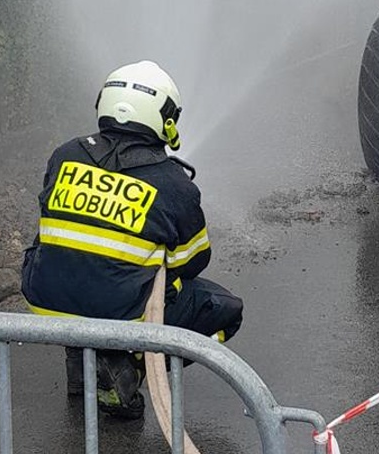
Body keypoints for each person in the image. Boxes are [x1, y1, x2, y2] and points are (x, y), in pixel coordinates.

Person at [20, 61, 243, 419]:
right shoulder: (174, 184)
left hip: (46, 298)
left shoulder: (64, 156)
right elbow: (193, 260)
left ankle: (83, 367)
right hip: (117, 311)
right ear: (165, 119)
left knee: (79, 266)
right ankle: (127, 366)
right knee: (225, 310)